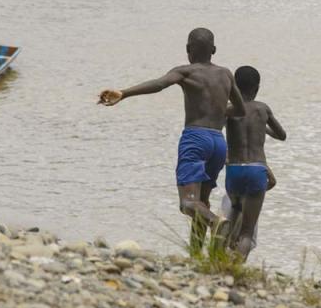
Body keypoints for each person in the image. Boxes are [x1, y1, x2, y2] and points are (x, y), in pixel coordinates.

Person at [98, 28, 245, 252]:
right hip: (218, 141)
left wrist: (124, 93)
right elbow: (241, 109)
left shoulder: (185, 71)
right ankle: (196, 255)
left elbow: (159, 84)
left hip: (195, 138)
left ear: (187, 50)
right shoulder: (226, 74)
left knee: (188, 203)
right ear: (214, 50)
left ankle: (217, 223)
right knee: (201, 203)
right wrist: (218, 110)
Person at [222, 66, 286, 259]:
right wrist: (262, 129)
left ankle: (219, 258)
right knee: (247, 233)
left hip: (233, 170)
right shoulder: (263, 109)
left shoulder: (229, 110)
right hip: (257, 169)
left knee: (233, 215)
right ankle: (235, 266)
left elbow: (216, 127)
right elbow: (282, 135)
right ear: (257, 88)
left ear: (233, 86)